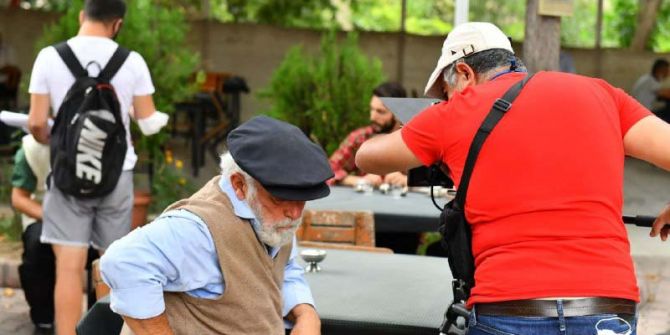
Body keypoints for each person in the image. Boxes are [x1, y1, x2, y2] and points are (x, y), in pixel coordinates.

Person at [356, 21, 670, 334]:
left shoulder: (453, 113)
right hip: (606, 307)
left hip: (509, 309)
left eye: (446, 90)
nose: (448, 100)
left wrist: (429, 124)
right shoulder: (601, 93)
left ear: (465, 73)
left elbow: (367, 156)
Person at [100, 116, 328, 335]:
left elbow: (283, 269)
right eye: (280, 198)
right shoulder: (199, 229)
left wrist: (306, 314)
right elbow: (122, 262)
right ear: (239, 184)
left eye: (302, 199)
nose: (294, 213)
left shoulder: (272, 218)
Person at [26, 1, 164, 334]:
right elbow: (148, 123)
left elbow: (35, 123)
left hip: (68, 174)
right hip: (116, 175)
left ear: (81, 16)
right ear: (117, 24)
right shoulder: (132, 61)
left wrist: (52, 137)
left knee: (69, 269)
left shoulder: (49, 56)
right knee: (111, 267)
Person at [11, 134, 55, 334]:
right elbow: (19, 198)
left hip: (91, 217)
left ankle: (98, 316)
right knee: (37, 246)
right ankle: (43, 319)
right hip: (44, 215)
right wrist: (56, 219)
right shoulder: (32, 147)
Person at [328, 82, 408, 188]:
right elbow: (327, 171)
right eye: (371, 109)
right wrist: (358, 180)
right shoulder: (360, 138)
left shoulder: (414, 141)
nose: (372, 117)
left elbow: (434, 179)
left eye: (380, 111)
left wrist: (408, 181)